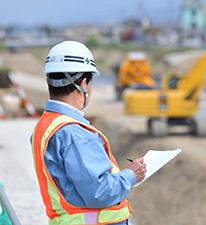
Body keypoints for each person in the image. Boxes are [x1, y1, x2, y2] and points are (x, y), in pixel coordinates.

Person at [31, 41, 147, 225]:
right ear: (83, 83)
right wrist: (132, 174)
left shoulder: (45, 125)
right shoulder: (74, 133)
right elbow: (99, 192)